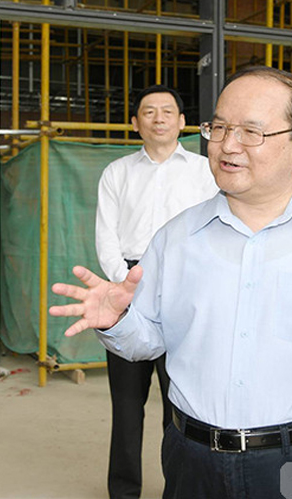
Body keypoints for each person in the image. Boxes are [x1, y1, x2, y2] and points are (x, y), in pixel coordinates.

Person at [51, 66, 292, 499]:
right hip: (193, 460)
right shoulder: (176, 237)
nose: (227, 145)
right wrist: (117, 322)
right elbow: (148, 340)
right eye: (220, 127)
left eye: (251, 131)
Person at [95, 84, 218, 499]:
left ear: (183, 122)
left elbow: (213, 233)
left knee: (181, 405)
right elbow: (106, 238)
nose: (159, 118)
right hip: (127, 292)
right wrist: (129, 286)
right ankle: (123, 491)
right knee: (126, 404)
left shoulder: (204, 171)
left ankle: (178, 489)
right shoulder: (117, 173)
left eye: (168, 111)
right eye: (149, 111)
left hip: (187, 290)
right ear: (135, 123)